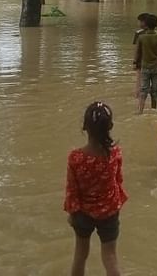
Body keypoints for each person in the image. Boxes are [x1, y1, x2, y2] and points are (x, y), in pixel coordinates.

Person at [65, 102, 127, 276]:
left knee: (80, 255)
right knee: (110, 257)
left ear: (85, 127)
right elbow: (118, 180)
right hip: (109, 212)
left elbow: (72, 191)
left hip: (83, 214)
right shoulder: (115, 153)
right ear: (110, 127)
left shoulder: (75, 158)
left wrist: (72, 214)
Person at [134, 14, 157, 113]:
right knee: (155, 91)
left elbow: (137, 53)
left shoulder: (141, 38)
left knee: (143, 89)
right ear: (156, 25)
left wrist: (135, 63)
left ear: (146, 25)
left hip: (145, 67)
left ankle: (140, 111)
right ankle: (153, 110)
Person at [132, 13, 150, 98]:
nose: (138, 23)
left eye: (139, 21)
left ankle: (137, 96)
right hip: (151, 60)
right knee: (148, 80)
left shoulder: (138, 33)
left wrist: (134, 61)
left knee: (138, 80)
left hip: (140, 61)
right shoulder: (155, 33)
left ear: (143, 22)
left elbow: (137, 49)